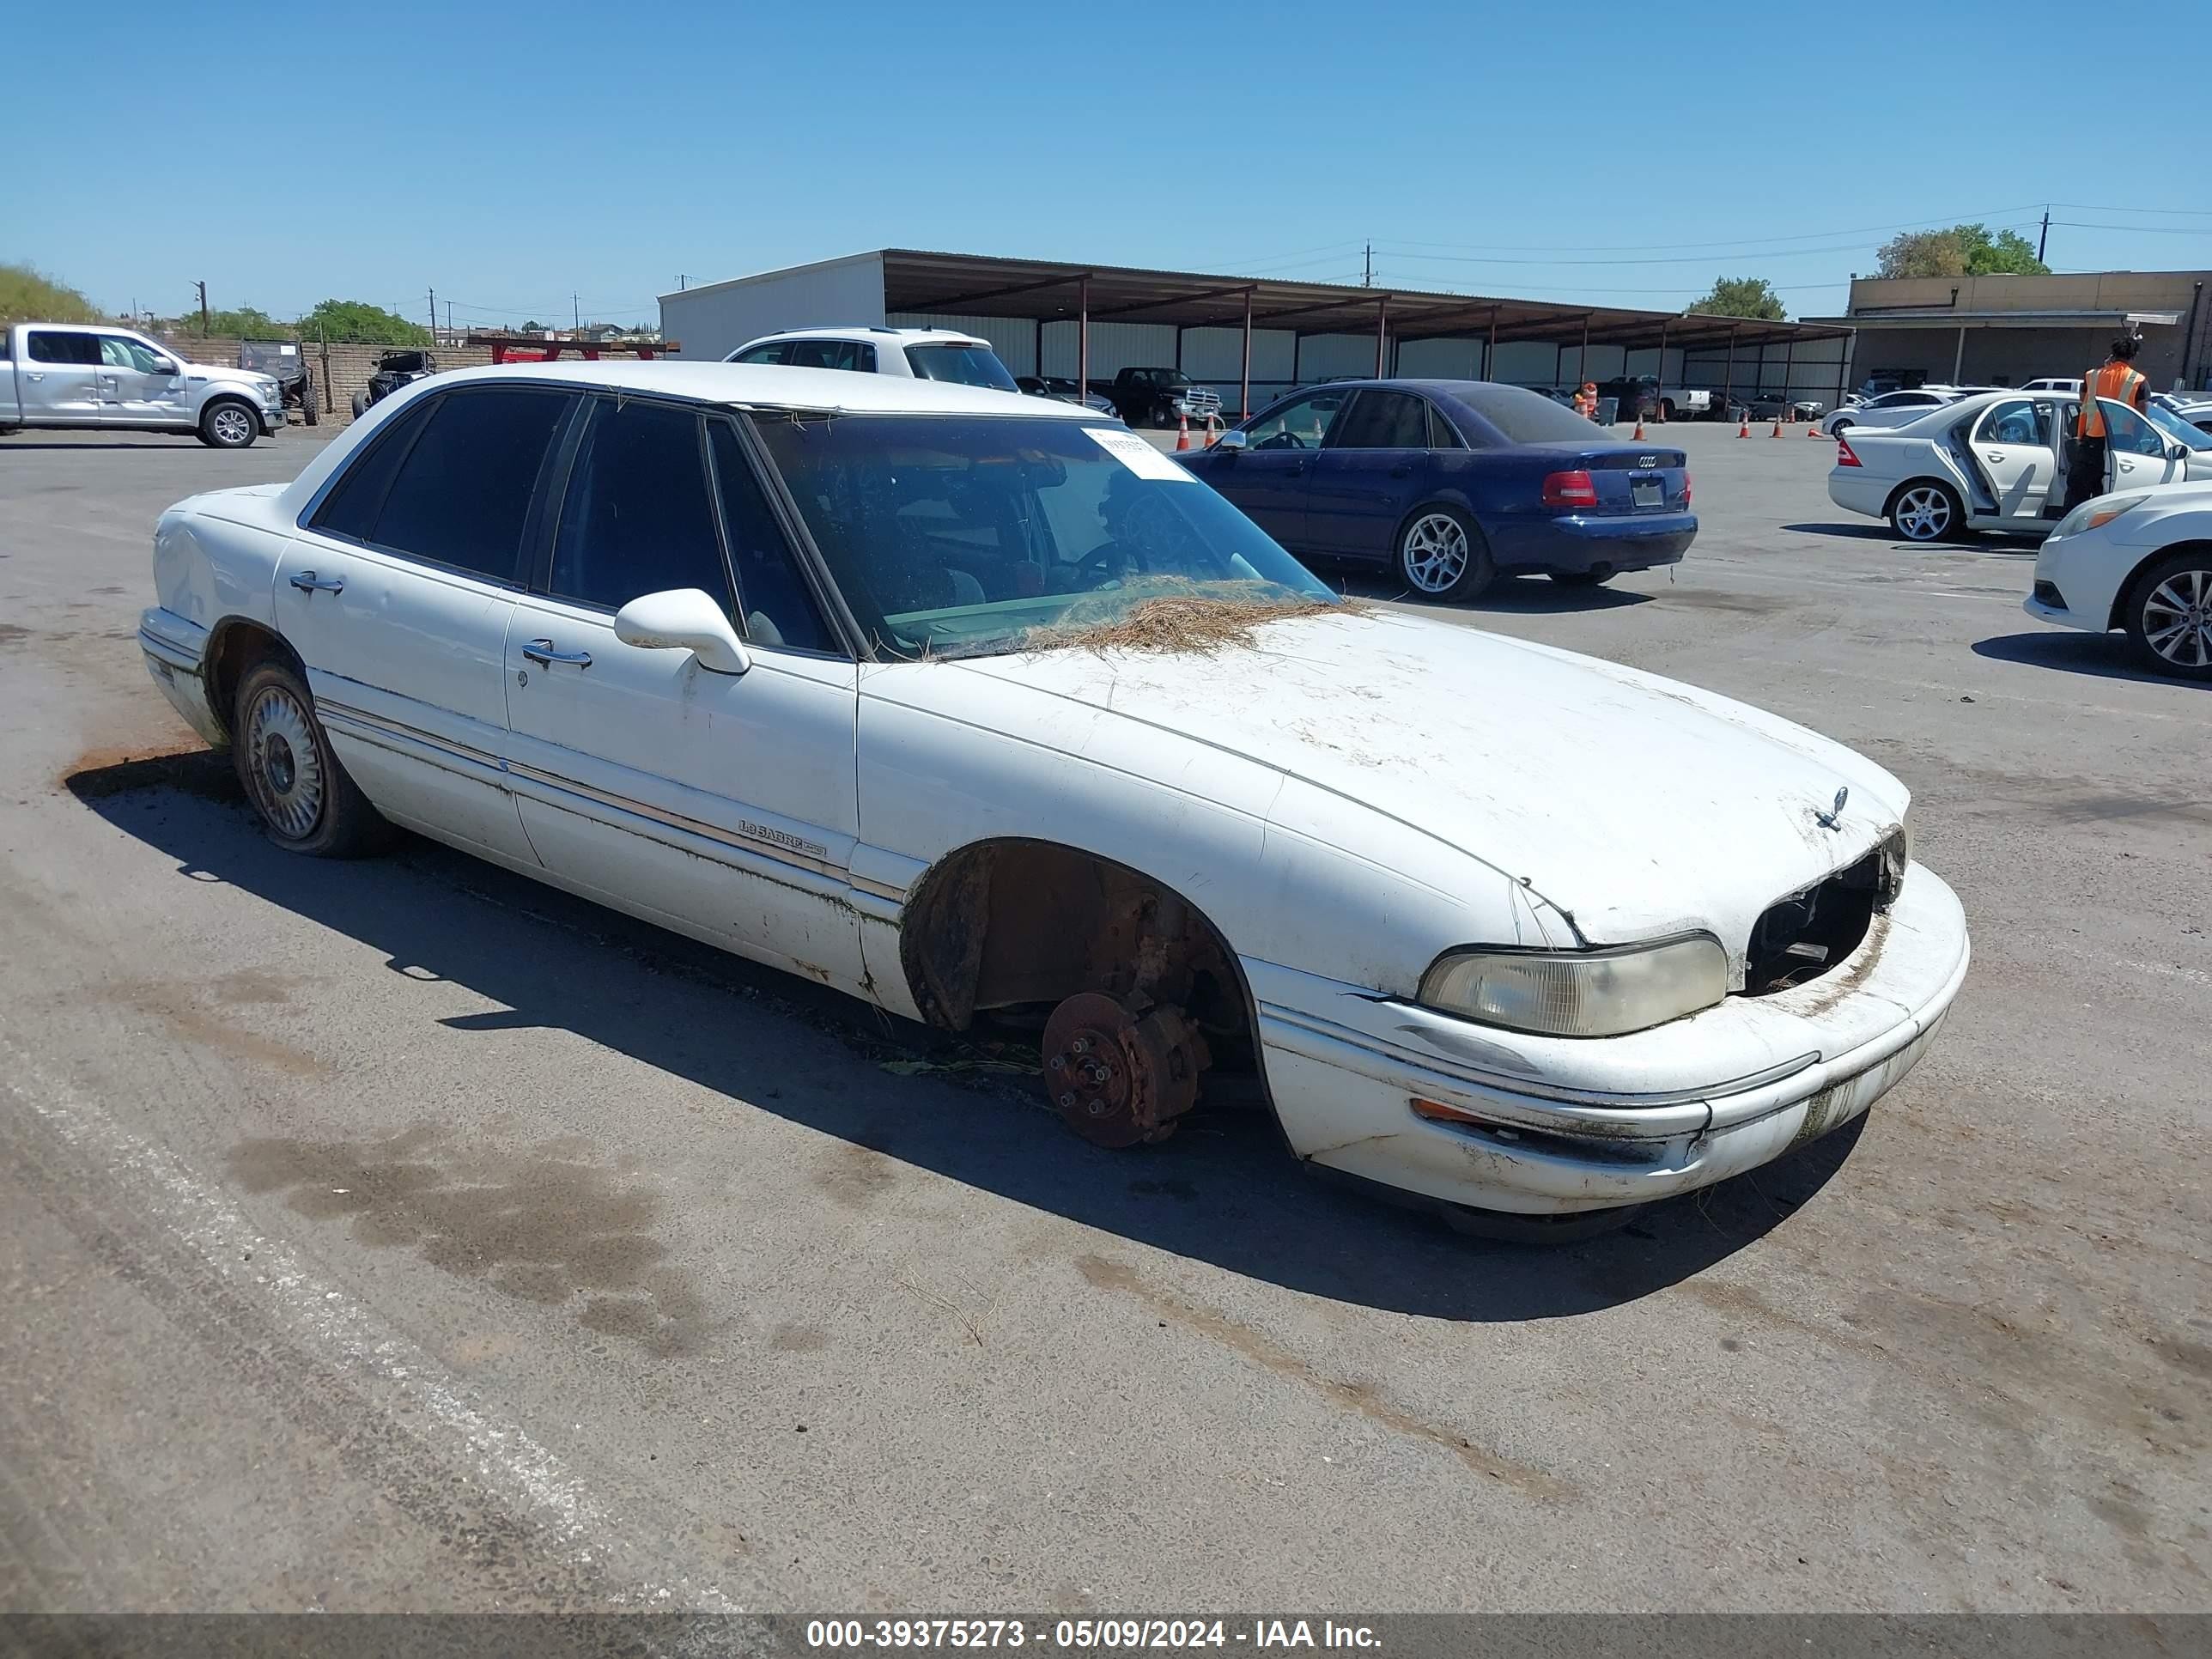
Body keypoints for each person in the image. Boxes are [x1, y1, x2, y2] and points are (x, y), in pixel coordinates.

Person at [2061, 336, 2151, 514]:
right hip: (2120, 445)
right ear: (2133, 356)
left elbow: (2083, 400)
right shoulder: (2138, 380)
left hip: (2090, 440)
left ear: (2112, 354)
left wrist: (2106, 368)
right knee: (2110, 493)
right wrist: (2137, 441)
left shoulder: (2092, 376)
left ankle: (2070, 528)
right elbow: (2142, 416)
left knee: (2078, 489)